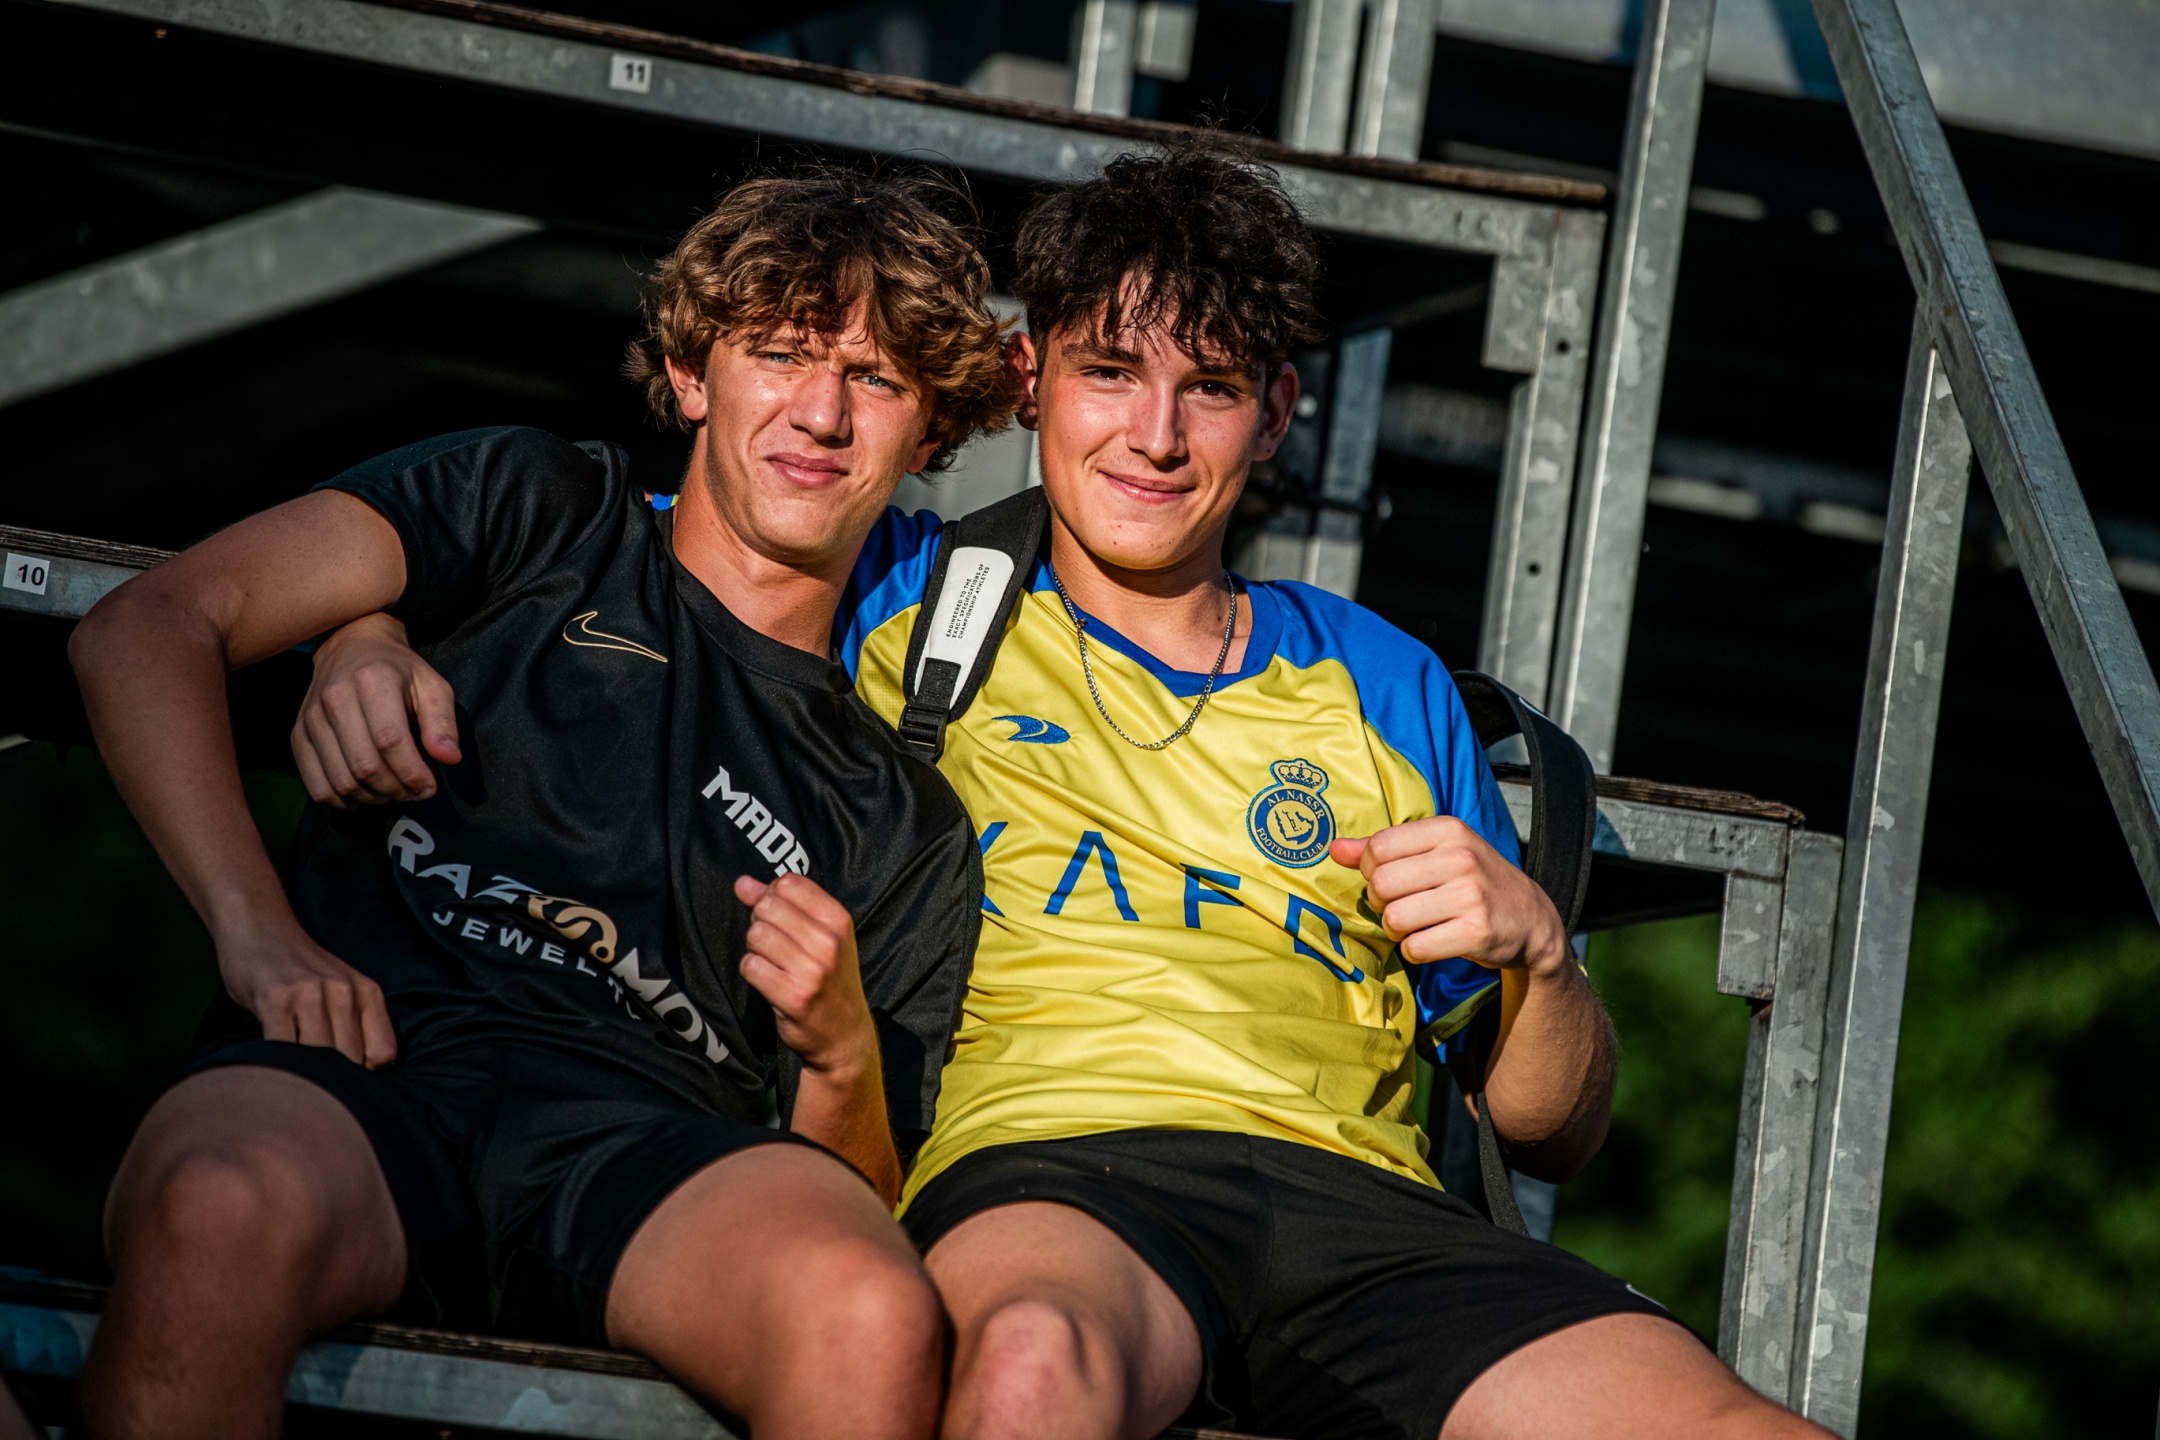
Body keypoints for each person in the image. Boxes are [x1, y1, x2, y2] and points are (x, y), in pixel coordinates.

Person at [302, 146, 1831, 1439]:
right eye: (1110, 373)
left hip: (1365, 1210)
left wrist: (1540, 957)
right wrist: (363, 631)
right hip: (1055, 1184)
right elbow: (588, 561)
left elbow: (1555, 1127)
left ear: (1277, 412)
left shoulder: (1385, 680)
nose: (1155, 438)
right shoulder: (903, 589)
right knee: (1030, 1373)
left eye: (1209, 389)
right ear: (1031, 377)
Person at [67, 170, 1008, 1440]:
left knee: (870, 1315)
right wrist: (258, 935)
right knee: (217, 1207)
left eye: (878, 379)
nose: (823, 412)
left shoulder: (901, 815)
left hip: (644, 1155)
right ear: (690, 373)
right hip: (365, 1060)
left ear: (931, 433)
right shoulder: (536, 506)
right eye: (780, 353)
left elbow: (859, 1191)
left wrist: (838, 1052)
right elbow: (148, 626)